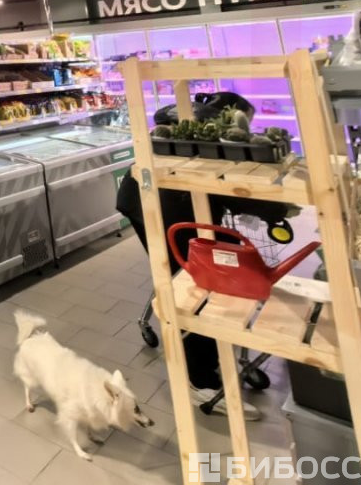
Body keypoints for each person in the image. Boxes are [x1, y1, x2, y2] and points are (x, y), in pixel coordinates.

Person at [115, 171, 288, 419]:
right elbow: (222, 178)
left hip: (165, 193)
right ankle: (201, 383)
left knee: (202, 275)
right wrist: (275, 209)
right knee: (196, 287)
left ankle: (209, 356)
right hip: (162, 200)